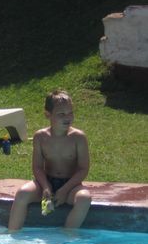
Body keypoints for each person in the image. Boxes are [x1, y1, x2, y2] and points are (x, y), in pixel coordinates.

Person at [8, 90, 91, 230]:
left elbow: (83, 169)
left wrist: (65, 190)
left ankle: (67, 235)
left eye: (70, 113)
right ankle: (12, 234)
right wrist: (46, 187)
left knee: (84, 199)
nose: (68, 118)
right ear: (48, 114)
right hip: (46, 182)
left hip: (71, 185)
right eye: (61, 114)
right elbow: (37, 167)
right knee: (22, 194)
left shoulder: (78, 138)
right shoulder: (41, 137)